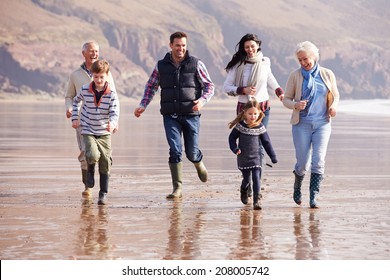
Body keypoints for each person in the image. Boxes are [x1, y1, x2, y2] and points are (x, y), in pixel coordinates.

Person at [134, 31, 215, 199]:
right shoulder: (160, 65)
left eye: (184, 45)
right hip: (170, 115)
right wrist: (143, 105)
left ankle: (198, 162)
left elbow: (209, 86)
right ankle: (177, 188)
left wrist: (201, 101)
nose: (181, 49)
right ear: (171, 45)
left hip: (191, 114)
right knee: (175, 150)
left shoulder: (196, 64)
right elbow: (151, 87)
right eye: (177, 45)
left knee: (191, 152)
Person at [223, 33, 284, 196]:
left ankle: (256, 185)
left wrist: (279, 91)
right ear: (243, 48)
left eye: (252, 46)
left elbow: (270, 77)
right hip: (245, 108)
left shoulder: (265, 61)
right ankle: (246, 183)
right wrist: (242, 90)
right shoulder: (238, 64)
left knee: (261, 144)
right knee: (246, 146)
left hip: (263, 107)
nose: (250, 49)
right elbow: (227, 87)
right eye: (246, 47)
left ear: (258, 45)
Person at [283, 41, 340, 208]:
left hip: (323, 124)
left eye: (305, 59)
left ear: (314, 57)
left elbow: (336, 95)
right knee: (303, 163)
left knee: (319, 160)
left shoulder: (327, 74)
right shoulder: (295, 76)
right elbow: (286, 99)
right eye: (300, 60)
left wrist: (333, 106)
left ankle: (313, 197)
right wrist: (295, 105)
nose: (303, 63)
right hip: (301, 124)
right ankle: (297, 184)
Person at [65, 41, 116, 197]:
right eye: (91, 51)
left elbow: (113, 95)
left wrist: (114, 121)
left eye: (96, 51)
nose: (94, 54)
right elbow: (70, 96)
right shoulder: (75, 75)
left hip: (102, 121)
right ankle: (88, 186)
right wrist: (70, 108)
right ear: (84, 53)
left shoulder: (106, 72)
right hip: (83, 120)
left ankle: (102, 187)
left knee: (102, 155)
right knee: (85, 152)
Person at [71, 59, 120, 205]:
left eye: (102, 77)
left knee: (105, 161)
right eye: (96, 76)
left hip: (104, 131)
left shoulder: (111, 93)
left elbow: (115, 110)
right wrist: (75, 117)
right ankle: (91, 169)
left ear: (107, 76)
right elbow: (76, 101)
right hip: (88, 128)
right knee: (91, 154)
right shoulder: (85, 89)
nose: (98, 80)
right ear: (92, 75)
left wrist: (113, 123)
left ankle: (103, 193)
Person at [228, 100, 278, 210]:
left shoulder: (260, 127)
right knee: (247, 179)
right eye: (250, 114)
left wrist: (272, 156)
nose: (253, 116)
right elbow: (231, 138)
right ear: (245, 113)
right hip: (243, 156)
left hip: (256, 157)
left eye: (255, 114)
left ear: (259, 113)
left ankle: (257, 200)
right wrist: (235, 149)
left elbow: (266, 142)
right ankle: (244, 189)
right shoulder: (240, 126)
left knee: (256, 177)